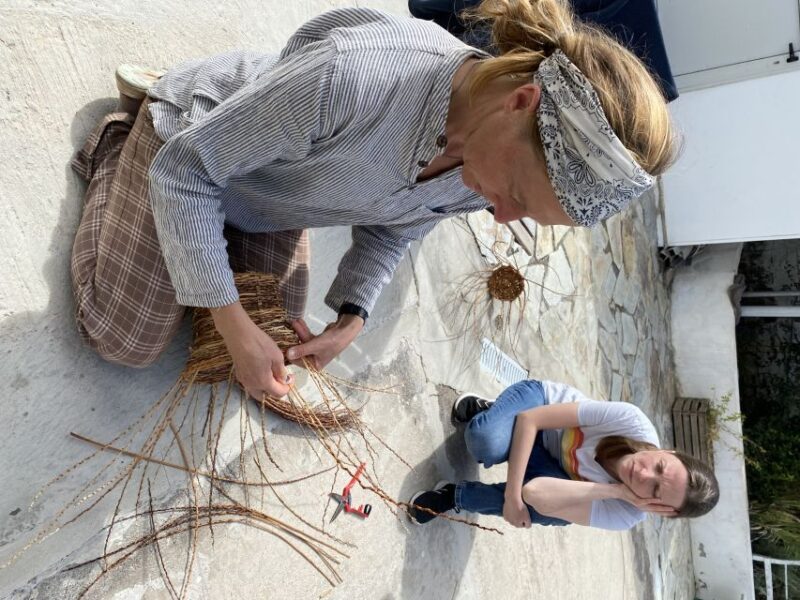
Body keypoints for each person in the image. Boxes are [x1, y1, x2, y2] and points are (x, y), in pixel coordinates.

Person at [70, 1, 676, 402]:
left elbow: (401, 225)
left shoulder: (489, 162)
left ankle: (204, 242)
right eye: (517, 195)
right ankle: (122, 141)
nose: (503, 215)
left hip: (276, 199)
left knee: (284, 342)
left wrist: (355, 311)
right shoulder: (359, 75)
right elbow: (186, 169)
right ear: (521, 102)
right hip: (191, 146)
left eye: (525, 213)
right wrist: (229, 322)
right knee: (127, 340)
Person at [408, 379, 719, 529]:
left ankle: (455, 497)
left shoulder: (624, 515)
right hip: (539, 409)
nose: (644, 473)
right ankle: (492, 412)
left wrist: (614, 491)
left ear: (660, 509)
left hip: (551, 472)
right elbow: (533, 420)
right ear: (670, 451)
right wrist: (511, 498)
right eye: (661, 466)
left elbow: (534, 493)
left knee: (546, 510)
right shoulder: (632, 422)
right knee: (483, 440)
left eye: (654, 489)